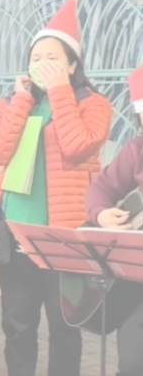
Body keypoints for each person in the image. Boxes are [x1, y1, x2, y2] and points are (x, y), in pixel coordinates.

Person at [0, 0, 113, 376]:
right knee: (16, 326)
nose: (41, 64)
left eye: (52, 58)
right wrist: (22, 100)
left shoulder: (95, 104)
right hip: (17, 232)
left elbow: (76, 146)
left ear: (72, 65)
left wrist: (59, 93)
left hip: (64, 235)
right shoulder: (16, 102)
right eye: (35, 58)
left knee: (64, 327)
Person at [83, 66, 143, 376]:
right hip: (138, 281)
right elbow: (101, 189)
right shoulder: (136, 151)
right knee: (133, 363)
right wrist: (102, 213)